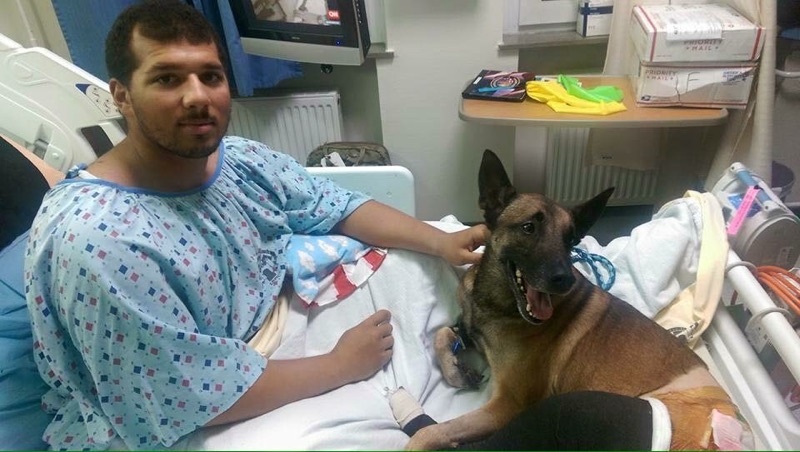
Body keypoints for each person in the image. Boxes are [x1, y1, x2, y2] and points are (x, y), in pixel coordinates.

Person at [23, 1, 487, 450]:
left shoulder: (237, 161)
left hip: (275, 321)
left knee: (437, 265)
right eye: (167, 78)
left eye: (210, 76)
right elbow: (182, 396)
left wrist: (442, 242)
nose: (197, 97)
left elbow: (336, 206)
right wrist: (340, 365)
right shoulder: (100, 242)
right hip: (193, 403)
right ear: (121, 94)